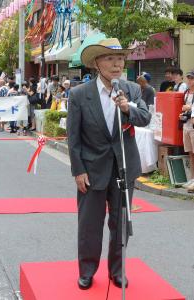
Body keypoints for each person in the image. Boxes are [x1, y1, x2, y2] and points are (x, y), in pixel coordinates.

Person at [67, 38, 151, 290]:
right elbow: (74, 136)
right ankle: (87, 271)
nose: (116, 65)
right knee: (89, 225)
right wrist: (78, 170)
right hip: (91, 170)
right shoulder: (80, 94)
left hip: (124, 167)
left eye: (120, 59)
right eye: (109, 59)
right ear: (96, 63)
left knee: (121, 223)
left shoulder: (132, 90)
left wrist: (127, 108)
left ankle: (117, 270)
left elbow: (145, 118)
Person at [179, 71, 194, 191]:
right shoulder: (186, 92)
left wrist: (189, 107)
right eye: (188, 78)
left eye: (192, 78)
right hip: (186, 124)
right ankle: (192, 178)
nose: (190, 80)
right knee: (190, 152)